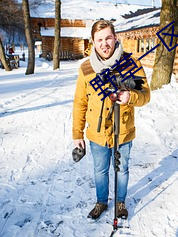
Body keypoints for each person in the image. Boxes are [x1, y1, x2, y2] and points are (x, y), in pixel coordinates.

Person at [72, 20, 150, 220]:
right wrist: (77, 134)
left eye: (108, 38)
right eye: (99, 40)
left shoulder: (132, 63)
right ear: (93, 42)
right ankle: (101, 202)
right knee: (100, 170)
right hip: (97, 133)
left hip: (123, 130)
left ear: (115, 38)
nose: (104, 43)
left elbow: (145, 95)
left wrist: (130, 97)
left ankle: (121, 202)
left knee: (121, 168)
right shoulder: (87, 68)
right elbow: (80, 102)